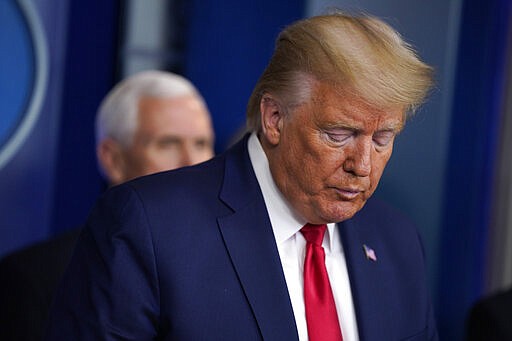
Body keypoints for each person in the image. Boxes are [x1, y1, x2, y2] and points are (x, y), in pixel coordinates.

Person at [45, 12, 437, 340]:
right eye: (339, 135)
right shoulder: (147, 227)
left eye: (383, 138)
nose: (363, 165)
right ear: (275, 118)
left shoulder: (398, 241)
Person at [0, 70, 215, 341]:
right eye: (168, 143)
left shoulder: (237, 268)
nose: (192, 162)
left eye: (202, 144)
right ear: (113, 159)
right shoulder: (33, 279)